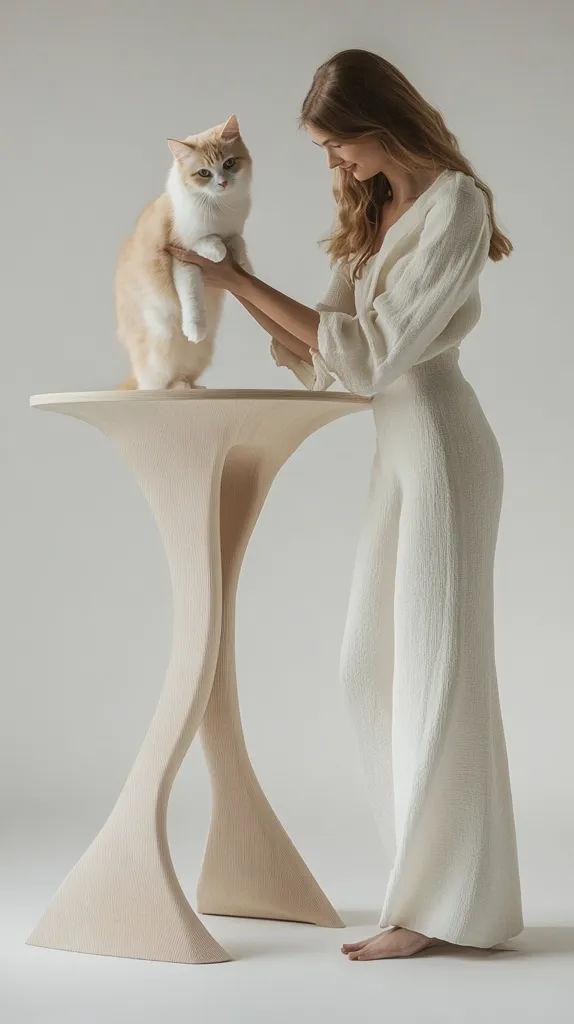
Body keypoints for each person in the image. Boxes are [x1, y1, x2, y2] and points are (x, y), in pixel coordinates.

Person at [167, 48, 523, 961]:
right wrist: (232, 279)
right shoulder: (376, 212)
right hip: (397, 451)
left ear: (380, 124)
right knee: (371, 664)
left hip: (443, 445)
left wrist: (242, 284)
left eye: (337, 145)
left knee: (438, 671)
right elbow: (328, 363)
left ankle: (434, 911)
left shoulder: (455, 204)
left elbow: (373, 356)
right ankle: (438, 890)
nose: (334, 164)